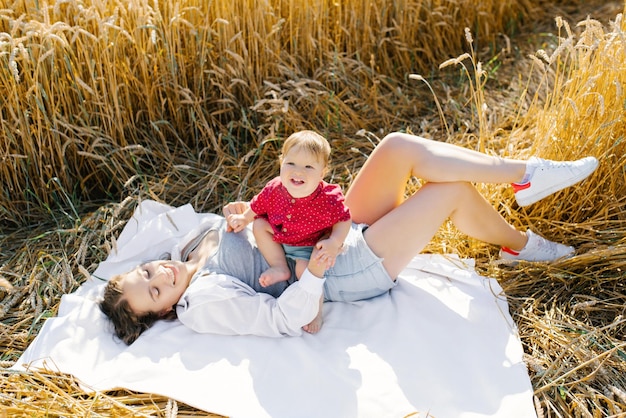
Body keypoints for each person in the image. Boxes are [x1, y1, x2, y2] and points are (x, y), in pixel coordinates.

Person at [100, 132, 598, 345]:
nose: (160, 275)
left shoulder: (184, 249)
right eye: (156, 291)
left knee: (398, 147)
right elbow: (280, 318)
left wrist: (241, 214)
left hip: (318, 223)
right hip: (340, 265)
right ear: (165, 311)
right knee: (449, 193)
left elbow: (146, 237)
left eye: (146, 273)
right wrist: (314, 271)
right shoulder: (203, 304)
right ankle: (520, 245)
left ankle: (525, 175)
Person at [226, 131, 351, 332]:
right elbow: (257, 206)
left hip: (308, 245)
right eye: (291, 163)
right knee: (258, 225)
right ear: (281, 162)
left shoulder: (328, 198)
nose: (298, 172)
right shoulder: (274, 188)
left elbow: (344, 219)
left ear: (322, 172)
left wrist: (334, 241)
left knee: (306, 272)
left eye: (308, 167)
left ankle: (316, 311)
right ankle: (280, 267)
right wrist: (244, 218)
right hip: (280, 235)